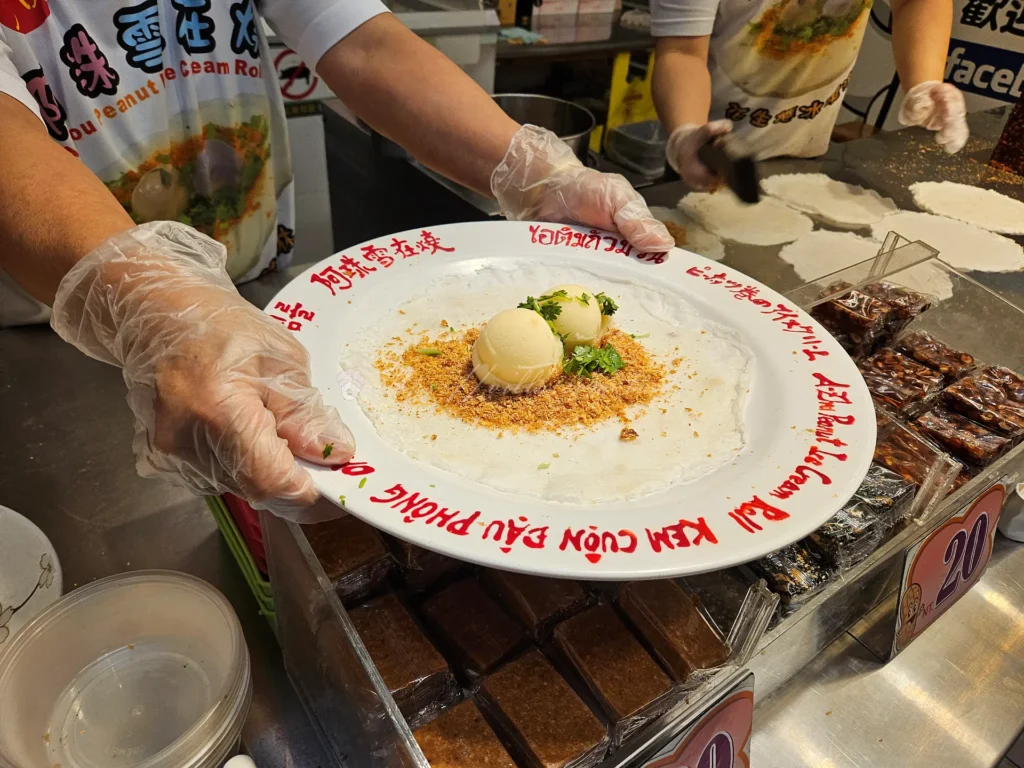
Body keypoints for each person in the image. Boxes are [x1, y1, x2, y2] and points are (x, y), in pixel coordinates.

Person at [0, 1, 673, 520]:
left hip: (251, 287)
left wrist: (534, 171)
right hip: (65, 329)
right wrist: (150, 307)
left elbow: (362, 41)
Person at [650, 0, 971, 189]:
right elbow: (682, 51)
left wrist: (925, 83)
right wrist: (688, 135)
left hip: (808, 149)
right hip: (712, 153)